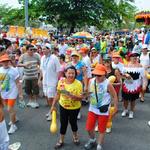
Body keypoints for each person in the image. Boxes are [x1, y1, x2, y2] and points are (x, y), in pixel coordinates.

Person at [84, 64, 118, 150]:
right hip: (92, 109)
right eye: (95, 74)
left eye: (99, 75)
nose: (97, 77)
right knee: (89, 128)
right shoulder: (91, 81)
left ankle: (99, 145)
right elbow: (89, 92)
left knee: (102, 129)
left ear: (104, 74)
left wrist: (116, 108)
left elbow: (114, 95)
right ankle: (92, 140)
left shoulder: (108, 84)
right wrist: (84, 95)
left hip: (103, 110)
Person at [51, 65, 83, 149]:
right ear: (65, 73)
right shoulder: (61, 82)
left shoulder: (78, 84)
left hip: (74, 108)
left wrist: (73, 96)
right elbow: (58, 94)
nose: (71, 75)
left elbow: (81, 98)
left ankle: (75, 137)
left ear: (75, 74)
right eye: (69, 73)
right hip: (63, 106)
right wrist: (53, 105)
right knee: (63, 123)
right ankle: (61, 140)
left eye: (73, 73)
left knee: (73, 123)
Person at [0, 54, 22, 134]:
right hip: (3, 93)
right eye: (3, 61)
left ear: (9, 61)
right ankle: (14, 118)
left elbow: (18, 83)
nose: (5, 63)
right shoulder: (0, 70)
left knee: (9, 109)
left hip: (12, 93)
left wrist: (20, 94)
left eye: (6, 61)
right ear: (1, 62)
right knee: (9, 108)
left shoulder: (14, 70)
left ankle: (13, 126)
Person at [39, 43, 61, 121]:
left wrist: (58, 81)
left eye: (44, 49)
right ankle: (52, 110)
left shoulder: (54, 58)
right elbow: (41, 69)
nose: (43, 50)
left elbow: (59, 70)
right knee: (48, 98)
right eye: (42, 49)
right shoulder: (42, 58)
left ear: (49, 49)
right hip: (45, 81)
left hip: (53, 81)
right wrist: (40, 79)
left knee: (52, 98)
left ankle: (53, 113)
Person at [121, 52, 147, 119]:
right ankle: (125, 110)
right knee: (125, 99)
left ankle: (131, 111)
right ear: (130, 57)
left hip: (135, 85)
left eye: (136, 56)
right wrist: (125, 75)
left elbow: (143, 77)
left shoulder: (140, 66)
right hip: (126, 85)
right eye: (133, 56)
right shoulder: (126, 65)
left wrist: (144, 85)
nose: (134, 57)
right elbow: (121, 75)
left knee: (133, 100)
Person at [18, 44, 41, 108]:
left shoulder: (36, 56)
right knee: (28, 90)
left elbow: (40, 64)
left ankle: (35, 101)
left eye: (33, 49)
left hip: (35, 76)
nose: (32, 51)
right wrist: (24, 65)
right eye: (31, 50)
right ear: (27, 50)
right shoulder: (23, 56)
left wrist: (39, 74)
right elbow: (18, 64)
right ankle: (31, 100)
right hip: (27, 76)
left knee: (36, 90)